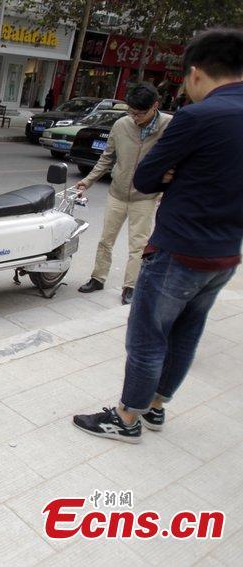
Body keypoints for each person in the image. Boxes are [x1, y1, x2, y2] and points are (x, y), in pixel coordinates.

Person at [73, 28, 243, 444]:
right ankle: (155, 405)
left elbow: (147, 178)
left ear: (196, 72)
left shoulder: (197, 117)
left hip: (180, 249)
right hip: (225, 254)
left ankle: (127, 417)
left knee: (149, 335)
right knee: (187, 332)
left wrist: (175, 173)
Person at [76, 83, 172, 305]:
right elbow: (107, 158)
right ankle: (97, 278)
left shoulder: (169, 125)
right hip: (117, 193)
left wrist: (165, 189)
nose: (135, 118)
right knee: (105, 240)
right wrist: (87, 181)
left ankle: (130, 287)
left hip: (145, 196)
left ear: (155, 106)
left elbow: (175, 160)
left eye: (139, 113)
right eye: (131, 112)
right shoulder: (121, 125)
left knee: (138, 245)